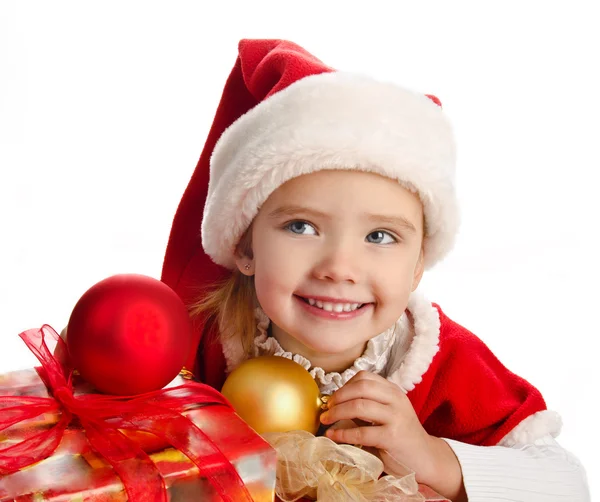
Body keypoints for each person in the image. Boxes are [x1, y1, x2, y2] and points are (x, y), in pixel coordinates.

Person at [160, 39, 589, 501]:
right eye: (301, 227)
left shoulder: (437, 357)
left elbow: (566, 484)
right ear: (245, 245)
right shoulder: (202, 339)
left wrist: (433, 457)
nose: (339, 268)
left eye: (380, 237)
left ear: (419, 264)